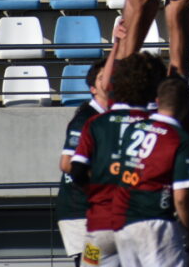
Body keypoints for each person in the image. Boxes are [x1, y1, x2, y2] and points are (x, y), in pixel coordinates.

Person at [71, 54, 167, 267]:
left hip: (99, 230)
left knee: (90, 262)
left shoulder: (95, 123)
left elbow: (76, 172)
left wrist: (99, 196)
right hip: (143, 228)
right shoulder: (161, 129)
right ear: (154, 89)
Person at [111, 77, 189, 267]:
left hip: (124, 221)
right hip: (156, 222)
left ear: (157, 101)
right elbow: (182, 197)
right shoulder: (180, 138)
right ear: (186, 105)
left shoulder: (132, 128)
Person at [56, 61, 110, 267]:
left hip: (98, 210)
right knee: (91, 263)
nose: (108, 80)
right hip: (80, 212)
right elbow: (67, 163)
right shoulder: (85, 119)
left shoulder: (111, 117)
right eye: (102, 77)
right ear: (93, 88)